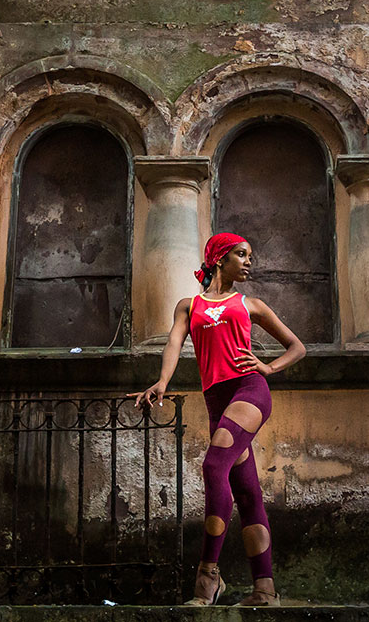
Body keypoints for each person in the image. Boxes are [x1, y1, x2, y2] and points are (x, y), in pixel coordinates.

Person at [131, 232, 305, 606]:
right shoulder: (188, 305)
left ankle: (208, 576)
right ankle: (265, 591)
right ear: (219, 258)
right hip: (216, 401)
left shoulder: (250, 304)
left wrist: (268, 367)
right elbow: (175, 343)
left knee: (213, 467)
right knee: (246, 492)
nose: (248, 262)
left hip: (249, 390)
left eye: (250, 256)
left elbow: (298, 347)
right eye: (241, 254)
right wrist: (162, 382)